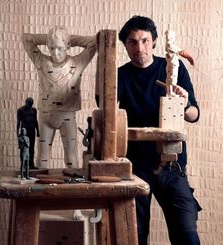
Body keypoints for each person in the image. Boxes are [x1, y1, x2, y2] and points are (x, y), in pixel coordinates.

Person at [117, 16, 201, 244]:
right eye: (132, 42)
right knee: (134, 236)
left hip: (171, 165)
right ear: (125, 45)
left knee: (187, 235)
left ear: (154, 41)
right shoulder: (120, 76)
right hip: (133, 167)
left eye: (144, 40)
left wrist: (184, 105)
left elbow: (194, 114)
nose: (139, 48)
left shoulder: (173, 67)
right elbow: (105, 113)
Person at [22, 26, 97, 168]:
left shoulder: (77, 63)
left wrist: (67, 38)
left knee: (71, 158)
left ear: (67, 46)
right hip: (46, 116)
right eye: (51, 48)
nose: (55, 53)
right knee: (42, 159)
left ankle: (73, 188)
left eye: (60, 48)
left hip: (67, 116)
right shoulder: (41, 62)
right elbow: (26, 38)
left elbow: (94, 42)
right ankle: (40, 189)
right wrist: (51, 38)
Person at [17, 97, 40, 169]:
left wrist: (38, 131)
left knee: (31, 148)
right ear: (26, 102)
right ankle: (24, 165)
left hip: (32, 130)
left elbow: (35, 121)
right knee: (24, 148)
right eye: (29, 104)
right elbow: (18, 122)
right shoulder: (20, 110)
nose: (30, 106)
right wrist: (17, 132)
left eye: (31, 104)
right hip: (24, 131)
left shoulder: (34, 110)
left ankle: (31, 164)